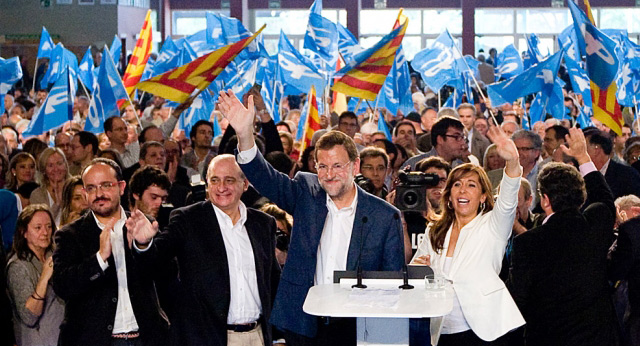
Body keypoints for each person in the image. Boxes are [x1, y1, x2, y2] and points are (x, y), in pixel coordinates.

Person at [218, 90, 404, 345]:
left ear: (355, 166)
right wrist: (244, 134)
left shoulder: (384, 216)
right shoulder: (306, 192)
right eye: (322, 166)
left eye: (338, 166)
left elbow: (391, 287)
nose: (329, 174)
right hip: (304, 324)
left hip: (356, 327)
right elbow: (265, 177)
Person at [126, 154, 280, 346]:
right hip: (205, 338)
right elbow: (156, 261)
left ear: (245, 183)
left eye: (229, 180)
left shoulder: (263, 224)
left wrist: (279, 334)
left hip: (256, 336)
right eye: (214, 180)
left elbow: (273, 282)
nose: (221, 187)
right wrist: (143, 244)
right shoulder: (188, 219)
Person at [411, 125, 525, 345]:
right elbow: (416, 271)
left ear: (483, 196)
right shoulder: (434, 229)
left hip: (486, 331)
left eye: (471, 185)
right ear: (449, 195)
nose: (463, 190)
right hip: (442, 329)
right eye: (457, 184)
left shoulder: (494, 224)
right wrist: (420, 269)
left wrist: (512, 162)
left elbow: (509, 196)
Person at [509, 128, 619, 346]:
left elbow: (516, 300)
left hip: (548, 338)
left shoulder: (526, 243)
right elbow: (604, 198)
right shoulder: (595, 224)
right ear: (581, 198)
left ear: (545, 200)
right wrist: (583, 157)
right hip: (597, 339)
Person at [51, 158, 169, 345]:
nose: (99, 194)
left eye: (106, 185)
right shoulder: (70, 234)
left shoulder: (141, 224)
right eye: (91, 188)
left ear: (121, 187)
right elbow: (62, 286)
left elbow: (167, 276)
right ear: (84, 193)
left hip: (145, 338)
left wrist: (144, 246)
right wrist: (99, 259)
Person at [6, 204, 64, 346]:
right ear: (24, 232)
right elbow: (29, 317)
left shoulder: (56, 257)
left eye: (49, 226)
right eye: (38, 228)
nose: (45, 232)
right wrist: (44, 278)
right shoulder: (18, 266)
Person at [30, 148, 70, 226]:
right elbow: (41, 223)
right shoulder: (37, 195)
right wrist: (57, 204)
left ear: (66, 165)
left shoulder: (76, 188)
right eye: (50, 165)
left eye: (59, 163)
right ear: (44, 170)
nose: (56, 169)